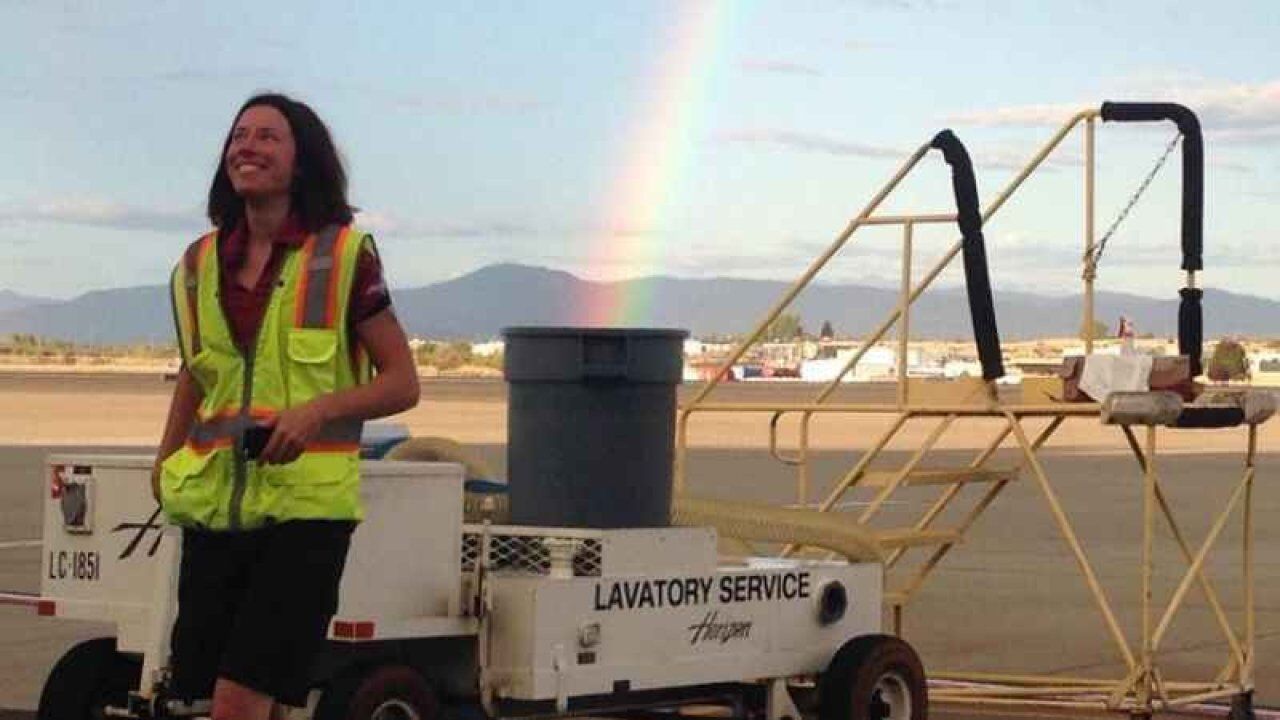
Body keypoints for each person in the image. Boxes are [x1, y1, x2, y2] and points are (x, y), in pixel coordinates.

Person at [151, 93, 420, 720]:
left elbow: (402, 381)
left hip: (304, 518)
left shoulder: (343, 257)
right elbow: (196, 372)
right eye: (239, 135)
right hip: (216, 511)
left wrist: (316, 411)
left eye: (268, 136)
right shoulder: (196, 265)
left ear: (302, 162)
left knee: (237, 702)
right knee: (205, 700)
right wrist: (164, 462)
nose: (248, 146)